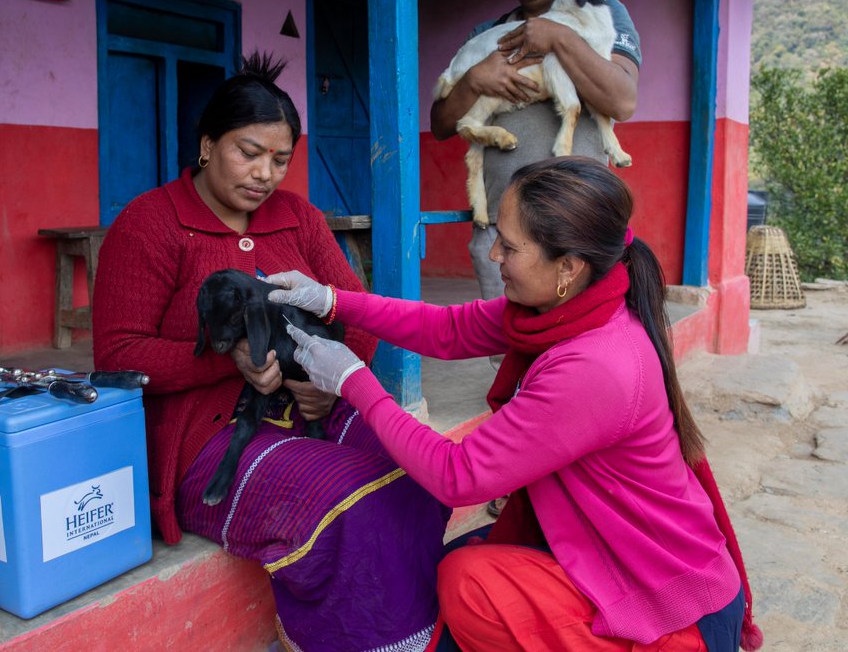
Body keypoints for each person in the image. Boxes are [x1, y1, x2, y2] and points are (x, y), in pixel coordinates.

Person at [267, 156, 762, 652]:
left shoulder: (595, 364)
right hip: (615, 550)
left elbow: (457, 475)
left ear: (567, 266)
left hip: (671, 610)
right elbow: (447, 329)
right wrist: (332, 300)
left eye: (510, 245)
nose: (493, 255)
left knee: (466, 580)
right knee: (454, 560)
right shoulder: (563, 307)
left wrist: (353, 380)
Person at [93, 52, 450, 652]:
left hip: (313, 406)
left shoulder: (298, 218)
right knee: (340, 497)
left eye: (280, 159)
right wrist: (224, 358)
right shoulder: (152, 223)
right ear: (207, 145)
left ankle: (420, 627)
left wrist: (327, 380)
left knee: (422, 470)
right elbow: (118, 356)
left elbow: (354, 310)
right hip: (208, 436)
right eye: (248, 152)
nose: (265, 173)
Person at [430, 0, 642, 302]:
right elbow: (441, 123)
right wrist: (475, 80)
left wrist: (558, 37)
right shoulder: (488, 35)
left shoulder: (604, 14)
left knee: (580, 351)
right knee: (509, 354)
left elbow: (623, 98)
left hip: (579, 226)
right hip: (502, 232)